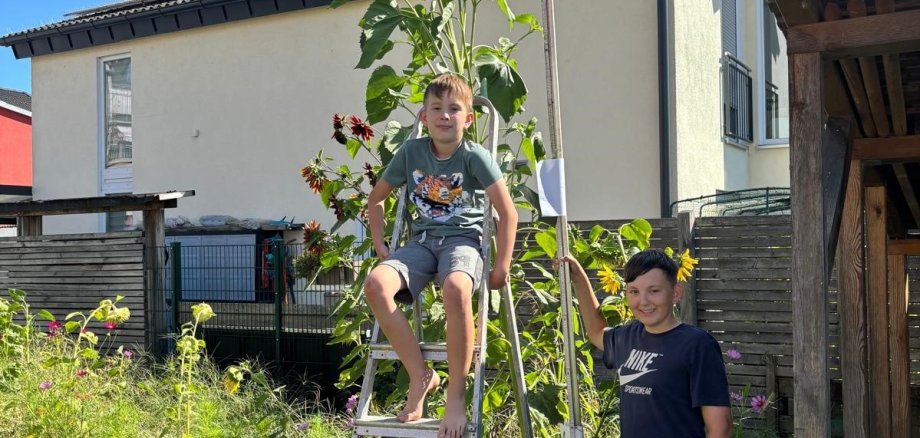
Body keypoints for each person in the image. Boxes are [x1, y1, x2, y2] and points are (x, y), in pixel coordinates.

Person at [364, 73, 517, 438]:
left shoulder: (474, 157)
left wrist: (501, 265)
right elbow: (376, 198)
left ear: (469, 118)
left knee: (456, 288)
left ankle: (456, 397)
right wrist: (380, 243)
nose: (445, 115)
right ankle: (421, 375)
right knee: (375, 284)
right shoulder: (411, 153)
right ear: (424, 117)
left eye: (454, 109)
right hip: (421, 243)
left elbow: (507, 212)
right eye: (436, 108)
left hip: (463, 242)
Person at [560, 249, 732, 438]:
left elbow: (720, 427)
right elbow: (596, 333)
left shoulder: (697, 345)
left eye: (654, 291)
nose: (643, 301)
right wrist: (578, 278)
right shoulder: (628, 337)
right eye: (634, 291)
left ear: (675, 293)